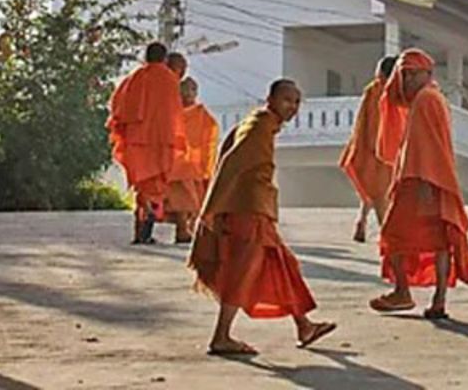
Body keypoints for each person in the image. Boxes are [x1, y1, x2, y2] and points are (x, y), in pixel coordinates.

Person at [186, 79, 335, 356]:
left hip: (255, 209)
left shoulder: (260, 123)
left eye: (297, 102)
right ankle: (221, 336)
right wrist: (210, 208)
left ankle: (304, 325)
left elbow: (228, 151)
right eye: (287, 100)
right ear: (270, 99)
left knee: (282, 265)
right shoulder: (260, 126)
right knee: (243, 272)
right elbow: (231, 163)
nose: (292, 107)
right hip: (246, 211)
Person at [372, 49, 468, 319]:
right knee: (440, 241)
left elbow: (427, 145)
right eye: (403, 75)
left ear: (427, 73)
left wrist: (425, 182)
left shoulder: (425, 99)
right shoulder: (433, 97)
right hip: (437, 179)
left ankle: (403, 292)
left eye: (412, 74)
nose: (407, 80)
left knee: (393, 235)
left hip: (420, 180)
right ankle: (438, 300)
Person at [107, 42, 185, 244]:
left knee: (142, 186)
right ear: (164, 58)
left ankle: (140, 231)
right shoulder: (170, 80)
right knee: (156, 186)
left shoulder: (135, 77)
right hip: (162, 141)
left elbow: (117, 105)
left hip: (137, 142)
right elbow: (175, 113)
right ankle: (147, 227)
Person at [340, 55, 397, 243]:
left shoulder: (374, 89)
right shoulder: (382, 92)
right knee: (380, 194)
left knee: (371, 189)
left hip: (372, 148)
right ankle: (387, 237)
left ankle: (362, 221)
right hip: (379, 150)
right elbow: (375, 123)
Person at [165, 75, 220, 244]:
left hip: (192, 163)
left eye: (192, 90)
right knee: (181, 200)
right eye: (185, 90)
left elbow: (210, 132)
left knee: (195, 200)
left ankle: (188, 229)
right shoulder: (172, 112)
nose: (189, 93)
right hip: (176, 163)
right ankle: (182, 230)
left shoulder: (201, 114)